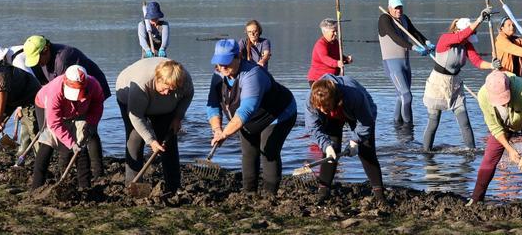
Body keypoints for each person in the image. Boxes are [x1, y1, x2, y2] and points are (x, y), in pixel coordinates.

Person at [206, 39, 296, 194]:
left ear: (238, 56)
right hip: (249, 120)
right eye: (219, 63)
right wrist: (217, 130)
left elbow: (246, 110)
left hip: (278, 114)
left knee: (268, 150)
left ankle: (269, 195)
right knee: (248, 152)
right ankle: (249, 193)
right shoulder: (218, 76)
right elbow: (213, 105)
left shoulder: (252, 75)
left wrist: (225, 133)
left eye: (226, 62)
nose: (222, 67)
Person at [23, 35, 111, 176]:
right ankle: (64, 171)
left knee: (87, 130)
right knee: (51, 133)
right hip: (61, 93)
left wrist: (87, 126)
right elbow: (46, 87)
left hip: (86, 92)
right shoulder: (37, 63)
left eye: (38, 59)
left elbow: (72, 95)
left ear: (45, 50)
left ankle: (97, 173)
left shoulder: (63, 59)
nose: (37, 63)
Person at [423, 7, 500, 151]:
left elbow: (477, 61)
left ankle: (471, 152)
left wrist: (492, 65)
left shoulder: (466, 44)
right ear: (460, 31)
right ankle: (426, 152)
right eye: (467, 36)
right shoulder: (445, 39)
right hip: (438, 84)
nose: (467, 40)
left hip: (455, 85)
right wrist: (480, 18)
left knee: (465, 122)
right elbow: (460, 37)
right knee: (433, 122)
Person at [115, 57, 193, 194]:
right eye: (165, 88)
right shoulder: (141, 84)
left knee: (168, 141)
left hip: (165, 108)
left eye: (172, 89)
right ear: (157, 79)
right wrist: (150, 141)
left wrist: (178, 117)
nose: (167, 93)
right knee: (135, 139)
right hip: (131, 101)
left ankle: (173, 186)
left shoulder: (184, 80)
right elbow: (136, 116)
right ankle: (133, 185)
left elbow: (188, 95)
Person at [305, 74, 385, 203]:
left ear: (334, 99)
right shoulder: (312, 99)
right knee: (331, 150)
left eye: (325, 106)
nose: (322, 110)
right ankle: (323, 192)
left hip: (359, 113)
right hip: (334, 115)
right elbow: (312, 127)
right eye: (319, 107)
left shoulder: (354, 96)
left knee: (366, 150)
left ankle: (380, 195)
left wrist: (355, 140)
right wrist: (326, 145)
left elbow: (366, 121)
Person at [470, 71, 522, 204]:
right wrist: (510, 150)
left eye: (505, 98)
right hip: (503, 124)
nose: (503, 104)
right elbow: (495, 128)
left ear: (509, 88)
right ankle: (476, 199)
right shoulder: (483, 96)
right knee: (489, 158)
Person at [31, 65, 105, 190]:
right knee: (48, 141)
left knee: (81, 144)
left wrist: (91, 124)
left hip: (79, 110)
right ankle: (36, 186)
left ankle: (85, 187)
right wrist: (71, 143)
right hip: (45, 106)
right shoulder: (54, 91)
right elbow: (54, 123)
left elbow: (98, 104)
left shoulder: (93, 85)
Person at [377, 0, 433, 126]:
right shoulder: (384, 19)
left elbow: (414, 32)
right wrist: (413, 47)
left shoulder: (404, 18)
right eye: (396, 8)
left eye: (400, 7)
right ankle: (409, 127)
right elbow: (395, 37)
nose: (399, 11)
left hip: (405, 63)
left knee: (401, 97)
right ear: (390, 8)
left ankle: (397, 127)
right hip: (392, 63)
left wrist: (426, 42)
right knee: (407, 96)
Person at [0, 41, 37, 155]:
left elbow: (31, 83)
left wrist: (20, 108)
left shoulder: (18, 60)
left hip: (32, 90)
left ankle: (29, 157)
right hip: (10, 90)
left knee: (30, 124)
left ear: (3, 56)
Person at [306, 18, 352, 85]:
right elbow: (325, 59)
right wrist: (337, 63)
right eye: (333, 31)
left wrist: (346, 59)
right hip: (318, 79)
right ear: (325, 32)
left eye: (336, 31)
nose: (336, 34)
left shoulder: (335, 42)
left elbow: (337, 55)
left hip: (333, 78)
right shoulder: (321, 44)